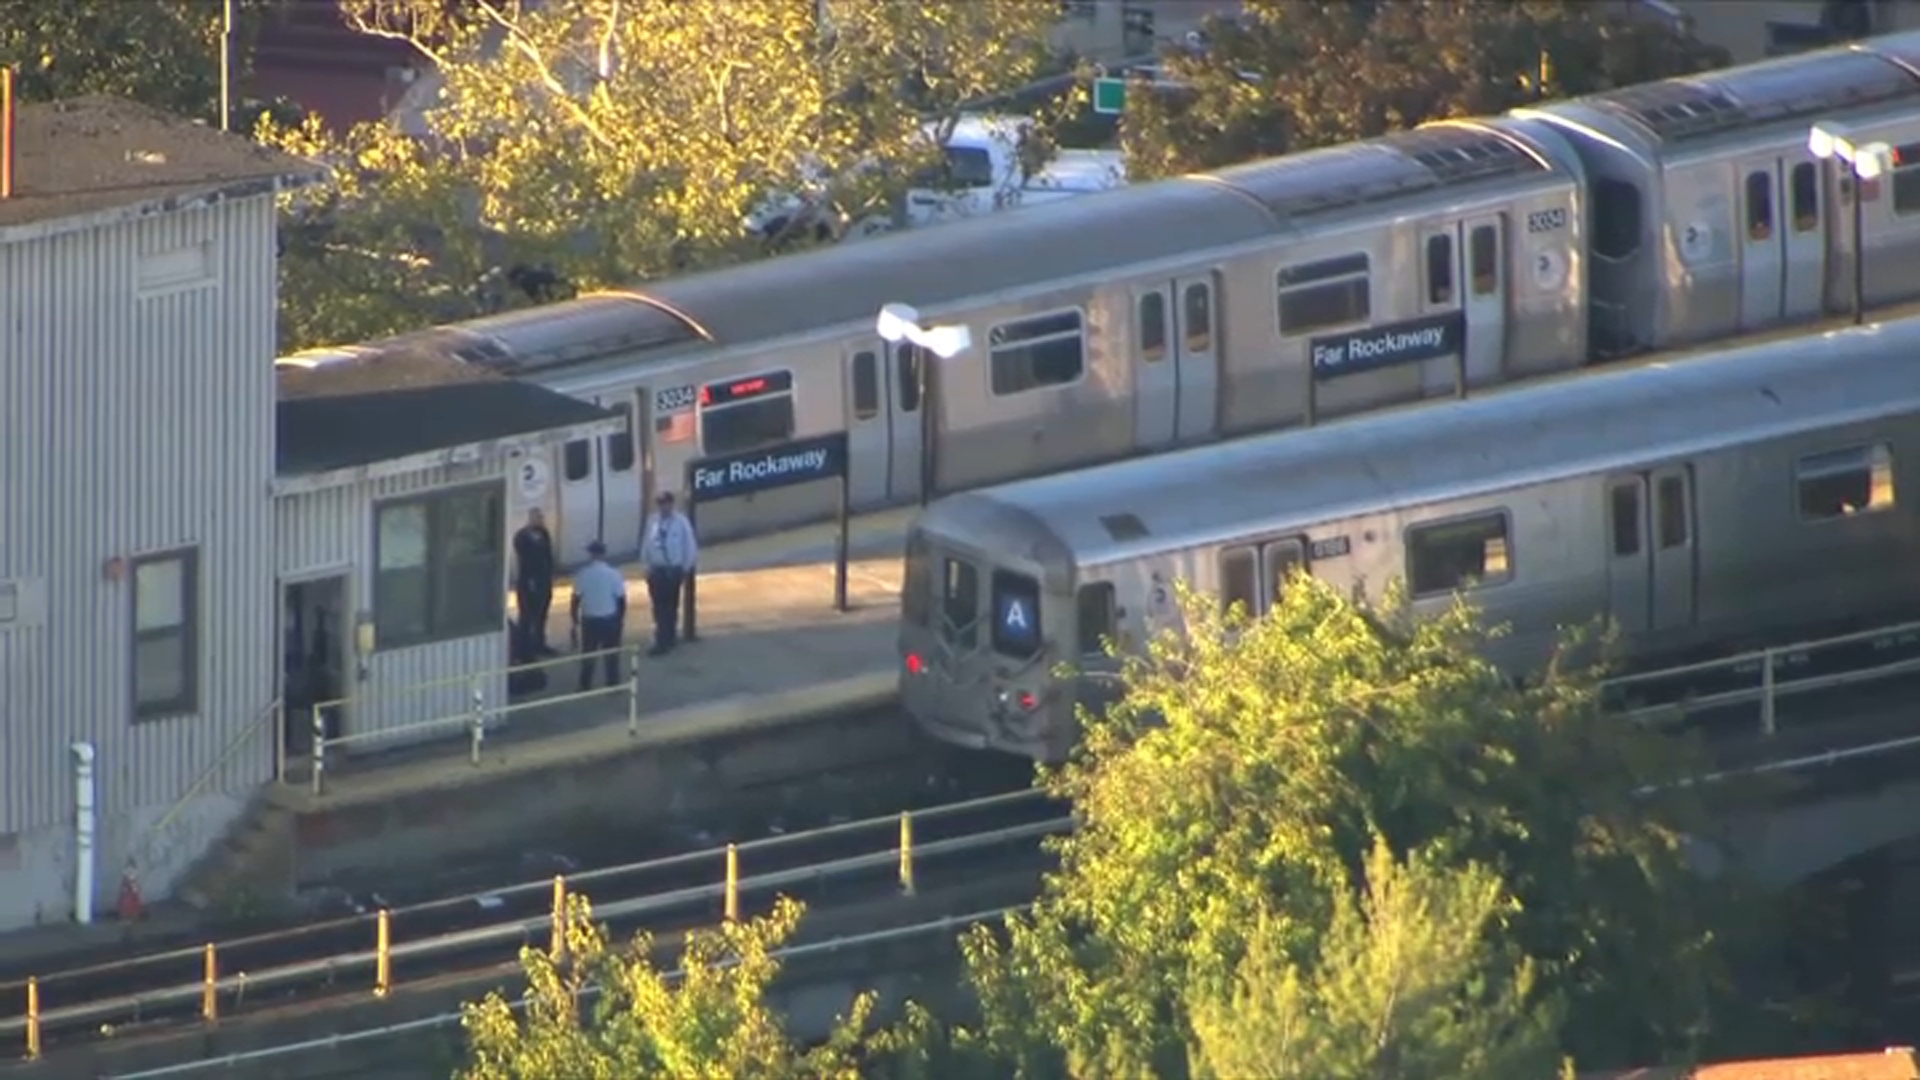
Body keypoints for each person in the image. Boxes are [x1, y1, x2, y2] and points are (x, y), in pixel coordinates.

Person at [640, 491, 699, 656]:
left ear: (671, 504)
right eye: (660, 504)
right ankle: (663, 638)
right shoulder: (653, 521)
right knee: (658, 607)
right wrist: (646, 566)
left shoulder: (681, 522)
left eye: (665, 503)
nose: (663, 507)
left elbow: (690, 546)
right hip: (656, 570)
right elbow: (646, 544)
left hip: (673, 570)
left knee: (670, 606)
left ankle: (667, 638)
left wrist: (685, 568)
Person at [569, 541, 627, 691]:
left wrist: (574, 620)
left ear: (591, 554)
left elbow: (575, 599)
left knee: (588, 654)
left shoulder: (583, 574)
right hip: (609, 617)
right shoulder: (614, 574)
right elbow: (621, 599)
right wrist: (620, 620)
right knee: (612, 654)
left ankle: (585, 684)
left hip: (590, 619)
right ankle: (613, 684)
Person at [512, 509, 557, 658]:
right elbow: (526, 560)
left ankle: (539, 643)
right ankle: (524, 648)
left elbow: (548, 555)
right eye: (538, 517)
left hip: (544, 581)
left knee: (541, 615)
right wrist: (531, 580)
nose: (541, 520)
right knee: (526, 616)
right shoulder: (521, 537)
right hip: (528, 583)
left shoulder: (544, 534)